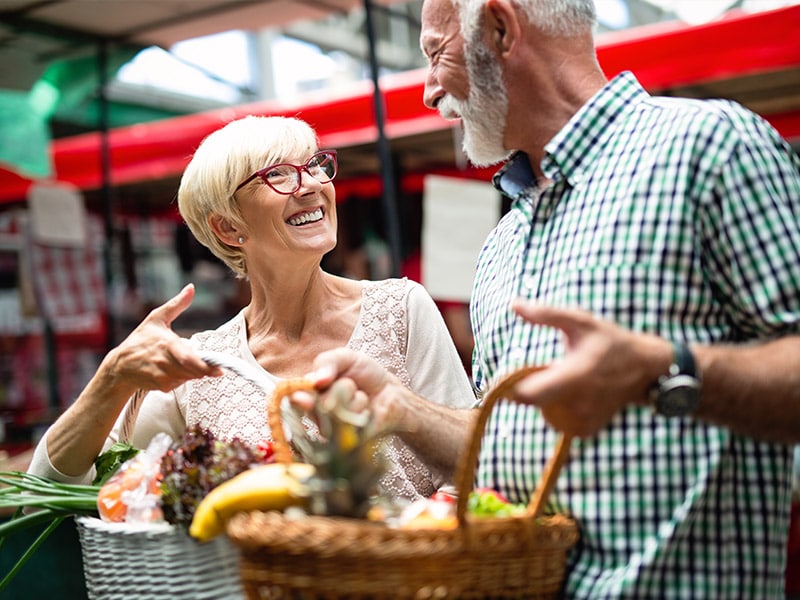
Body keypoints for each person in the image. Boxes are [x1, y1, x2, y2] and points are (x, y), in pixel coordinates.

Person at [303, 0, 800, 597]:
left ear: (500, 28)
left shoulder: (708, 145)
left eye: (436, 54)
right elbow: (499, 439)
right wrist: (401, 406)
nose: (430, 92)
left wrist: (664, 372)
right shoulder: (504, 239)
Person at [27, 115, 475, 503]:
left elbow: (471, 463)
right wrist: (113, 376)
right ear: (227, 227)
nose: (313, 185)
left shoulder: (401, 309)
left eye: (316, 166)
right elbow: (53, 487)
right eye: (279, 174)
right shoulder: (203, 368)